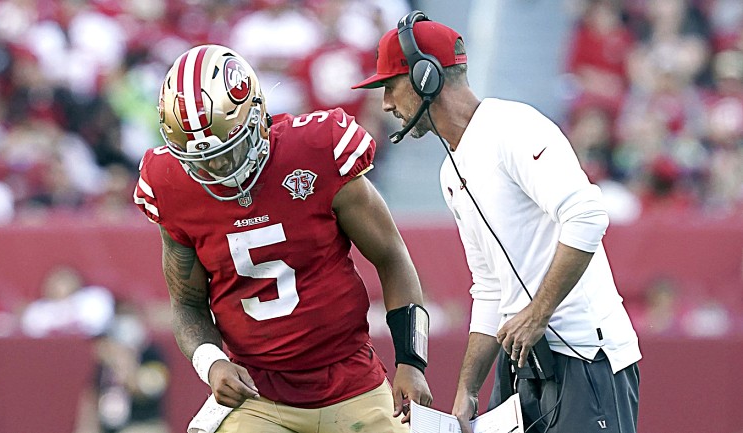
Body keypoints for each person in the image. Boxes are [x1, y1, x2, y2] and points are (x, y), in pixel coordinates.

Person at [352, 11, 642, 433]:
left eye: (391, 86)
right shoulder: (450, 172)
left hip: (588, 357)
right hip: (524, 365)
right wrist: (468, 389)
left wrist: (538, 313)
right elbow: (490, 287)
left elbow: (587, 214)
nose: (386, 104)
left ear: (425, 78)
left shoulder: (514, 127)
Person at [132, 44, 432, 433]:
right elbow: (187, 303)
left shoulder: (316, 150)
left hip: (351, 382)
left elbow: (391, 256)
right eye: (200, 161)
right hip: (258, 395)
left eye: (227, 151)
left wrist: (412, 361)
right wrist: (212, 362)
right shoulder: (169, 184)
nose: (217, 167)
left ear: (257, 116)